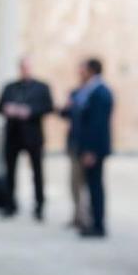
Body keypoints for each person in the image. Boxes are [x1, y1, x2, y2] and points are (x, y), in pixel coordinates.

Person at [0, 57, 54, 220]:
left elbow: (48, 107)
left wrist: (29, 111)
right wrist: (8, 109)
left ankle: (39, 206)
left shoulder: (42, 87)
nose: (25, 70)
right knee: (10, 172)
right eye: (22, 68)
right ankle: (10, 205)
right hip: (13, 135)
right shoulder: (10, 87)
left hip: (33, 136)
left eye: (27, 67)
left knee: (37, 172)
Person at [75, 58, 114, 238]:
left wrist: (90, 150)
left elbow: (96, 124)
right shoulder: (93, 91)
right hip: (92, 147)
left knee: (95, 186)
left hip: (94, 149)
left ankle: (98, 224)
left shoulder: (99, 92)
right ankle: (94, 221)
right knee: (92, 185)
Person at [59, 67, 88, 229]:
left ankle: (86, 217)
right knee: (74, 183)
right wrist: (66, 107)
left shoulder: (94, 93)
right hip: (74, 144)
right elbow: (66, 114)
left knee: (85, 184)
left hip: (86, 146)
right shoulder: (75, 92)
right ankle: (77, 215)